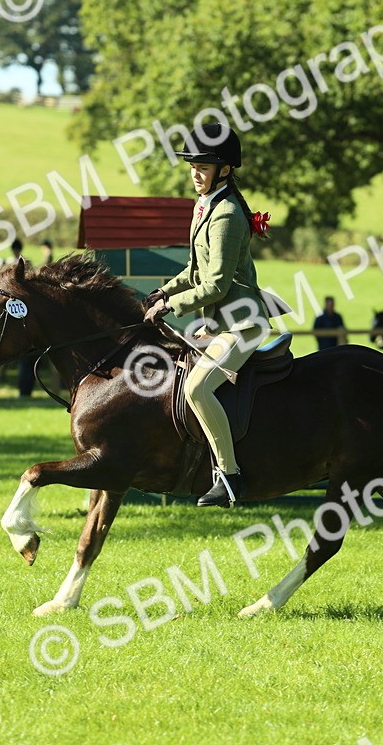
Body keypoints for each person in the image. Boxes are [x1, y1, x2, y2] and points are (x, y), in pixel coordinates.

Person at [143, 123, 282, 508]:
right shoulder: (205, 205)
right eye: (192, 165)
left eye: (203, 166)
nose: (195, 172)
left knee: (197, 388)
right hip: (222, 322)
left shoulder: (227, 215)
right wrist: (163, 290)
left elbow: (217, 285)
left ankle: (230, 476)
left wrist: (171, 307)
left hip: (244, 324)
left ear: (224, 169)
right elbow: (193, 270)